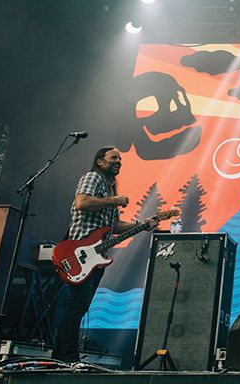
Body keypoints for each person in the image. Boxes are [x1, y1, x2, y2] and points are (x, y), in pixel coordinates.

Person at [52, 146, 159, 363]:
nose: (118, 161)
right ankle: (69, 357)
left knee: (78, 307)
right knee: (77, 306)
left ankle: (59, 356)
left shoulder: (110, 190)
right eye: (113, 158)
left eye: (120, 159)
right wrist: (115, 200)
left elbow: (114, 226)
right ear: (100, 161)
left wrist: (141, 225)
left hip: (94, 259)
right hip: (79, 254)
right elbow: (82, 202)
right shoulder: (93, 177)